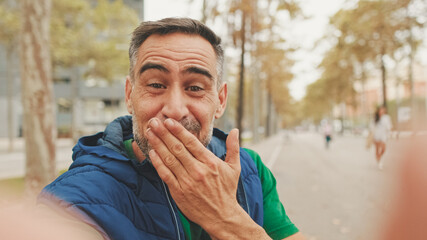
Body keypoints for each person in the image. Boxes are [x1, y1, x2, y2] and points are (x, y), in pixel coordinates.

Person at [38, 18, 304, 240]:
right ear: (130, 95)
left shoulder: (251, 172)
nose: (175, 109)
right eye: (155, 84)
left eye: (195, 88)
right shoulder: (73, 198)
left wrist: (228, 219)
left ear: (220, 101)